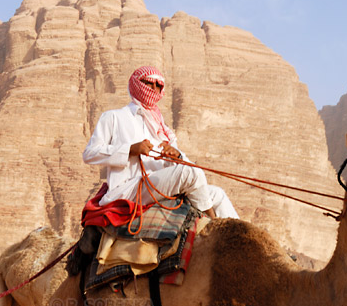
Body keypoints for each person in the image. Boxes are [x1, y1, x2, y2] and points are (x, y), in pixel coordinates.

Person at [82, 66, 239, 219]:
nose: (154, 88)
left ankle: (238, 242)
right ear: (136, 84)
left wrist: (177, 156)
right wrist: (130, 150)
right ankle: (214, 224)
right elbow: (90, 154)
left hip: (160, 187)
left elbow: (180, 169)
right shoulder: (113, 117)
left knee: (218, 194)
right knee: (191, 173)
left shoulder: (161, 127)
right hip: (128, 188)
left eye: (159, 85)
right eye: (149, 83)